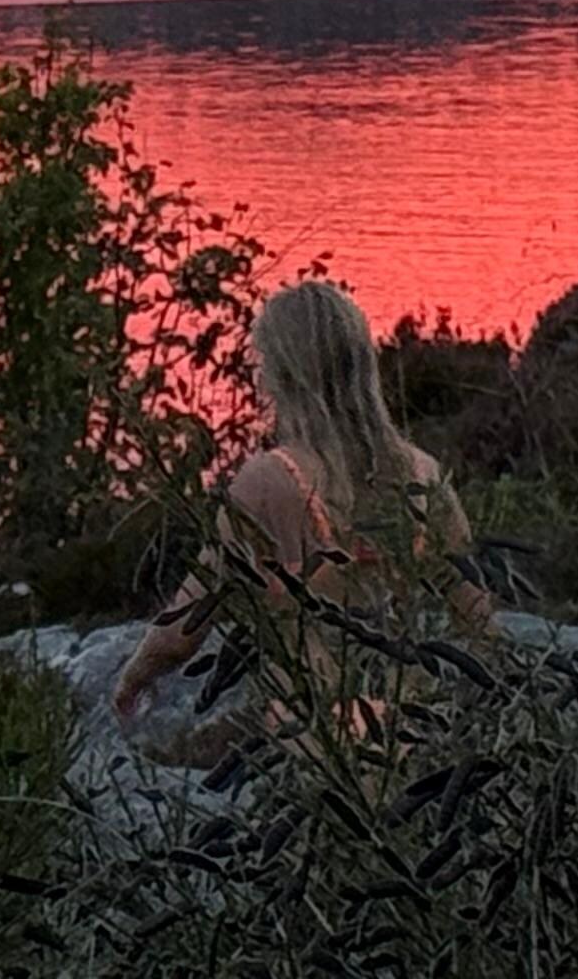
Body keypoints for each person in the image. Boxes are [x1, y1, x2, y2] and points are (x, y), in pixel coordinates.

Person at [109, 277, 487, 732]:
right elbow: (478, 620)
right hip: (410, 728)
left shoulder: (268, 481)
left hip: (314, 735)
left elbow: (181, 630)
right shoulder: (425, 474)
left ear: (281, 374)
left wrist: (130, 679)